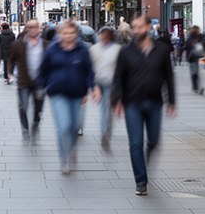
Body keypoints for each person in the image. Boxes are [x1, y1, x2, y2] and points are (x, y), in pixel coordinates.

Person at [113, 16, 178, 196]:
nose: (136, 30)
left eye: (140, 27)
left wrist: (171, 101)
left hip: (154, 102)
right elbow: (118, 79)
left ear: (149, 27)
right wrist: (118, 100)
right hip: (132, 102)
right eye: (134, 27)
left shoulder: (162, 50)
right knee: (135, 143)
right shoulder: (125, 52)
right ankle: (141, 181)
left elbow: (169, 76)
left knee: (154, 141)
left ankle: (147, 157)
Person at [40, 20, 94, 174]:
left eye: (71, 33)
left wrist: (92, 88)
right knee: (63, 126)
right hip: (58, 93)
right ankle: (65, 158)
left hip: (78, 93)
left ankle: (71, 147)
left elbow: (89, 71)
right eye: (65, 33)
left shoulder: (82, 50)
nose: (68, 36)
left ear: (76, 34)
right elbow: (44, 69)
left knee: (75, 126)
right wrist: (42, 86)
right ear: (60, 34)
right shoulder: (53, 49)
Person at [9, 19, 48, 137]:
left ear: (39, 29)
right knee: (23, 105)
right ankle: (25, 127)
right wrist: (9, 73)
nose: (33, 30)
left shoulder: (46, 44)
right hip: (23, 81)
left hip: (40, 82)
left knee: (38, 108)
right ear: (26, 29)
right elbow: (12, 59)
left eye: (35, 27)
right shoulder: (19, 44)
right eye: (30, 27)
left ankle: (36, 122)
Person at [89, 26, 122, 149]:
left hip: (111, 82)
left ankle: (107, 129)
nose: (103, 38)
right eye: (102, 35)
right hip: (98, 83)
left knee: (109, 108)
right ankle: (104, 131)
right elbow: (90, 67)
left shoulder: (117, 49)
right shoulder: (94, 49)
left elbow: (121, 68)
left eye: (106, 36)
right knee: (103, 107)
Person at [185, 25, 205, 95]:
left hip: (200, 56)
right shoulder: (190, 37)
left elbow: (204, 45)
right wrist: (192, 45)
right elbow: (186, 46)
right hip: (192, 57)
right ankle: (196, 87)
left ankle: (197, 87)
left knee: (197, 72)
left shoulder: (200, 36)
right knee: (194, 73)